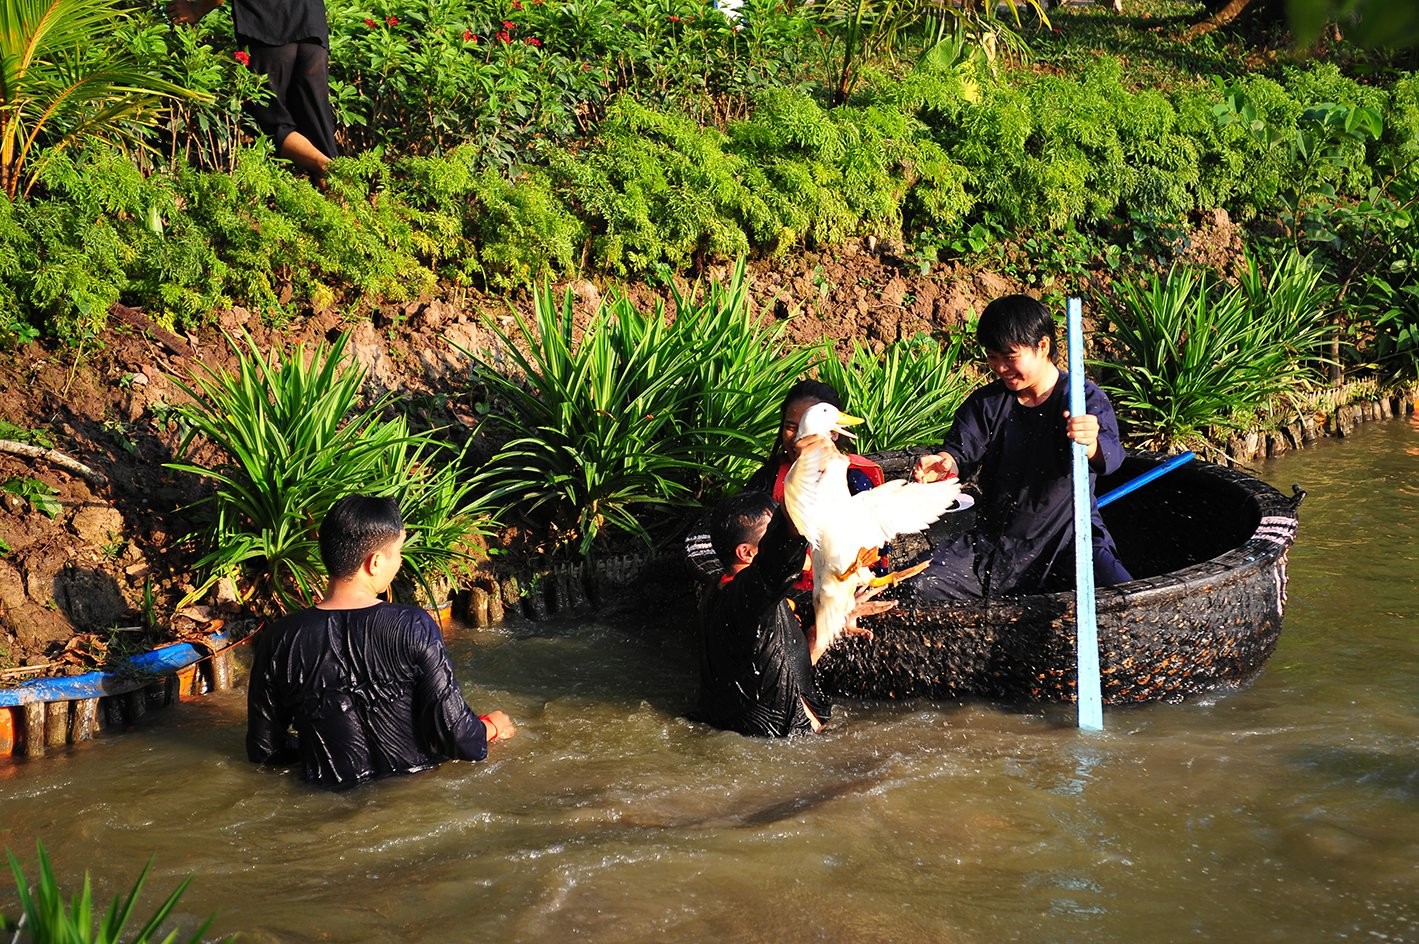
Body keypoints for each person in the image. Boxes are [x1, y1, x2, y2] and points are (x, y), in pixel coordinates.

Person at [247, 495, 515, 789]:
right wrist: (492, 726)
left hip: (328, 801)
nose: (400, 562)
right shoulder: (413, 625)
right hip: (417, 794)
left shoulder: (280, 638)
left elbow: (265, 751)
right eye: (398, 552)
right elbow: (457, 737)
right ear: (374, 562)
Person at [910, 294, 1131, 600]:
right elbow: (961, 451)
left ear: (1043, 346)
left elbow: (1112, 457)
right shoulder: (987, 402)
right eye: (992, 357)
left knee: (1124, 599)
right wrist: (945, 462)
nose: (1000, 368)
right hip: (997, 541)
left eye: (1010, 357)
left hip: (1068, 539)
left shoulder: (1083, 399)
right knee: (919, 584)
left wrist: (1091, 442)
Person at [693, 440, 894, 738]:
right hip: (779, 751)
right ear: (747, 554)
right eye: (770, 533)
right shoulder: (744, 599)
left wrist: (835, 613)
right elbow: (778, 560)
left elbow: (784, 665)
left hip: (782, 741)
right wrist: (798, 491)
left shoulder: (735, 598)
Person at [685, 380, 885, 583]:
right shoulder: (770, 476)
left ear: (833, 434)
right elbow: (738, 530)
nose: (798, 439)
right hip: (774, 587)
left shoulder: (853, 480)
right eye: (791, 427)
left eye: (808, 428)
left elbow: (872, 556)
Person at [167, 0, 338, 178]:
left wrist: (195, 9)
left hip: (267, 27)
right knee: (317, 128)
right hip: (311, 27)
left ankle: (326, 166)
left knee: (269, 124)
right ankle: (342, 192)